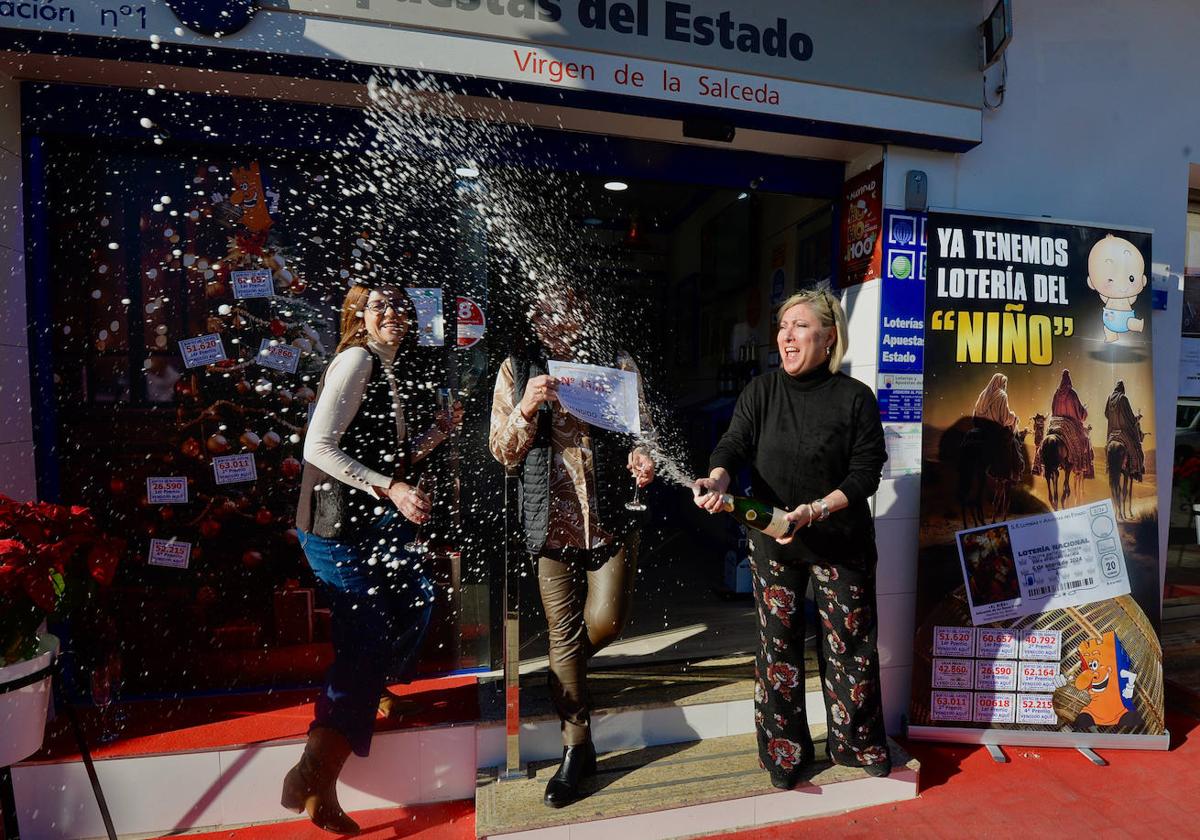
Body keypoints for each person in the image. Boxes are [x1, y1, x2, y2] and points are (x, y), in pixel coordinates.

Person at [282, 281, 461, 835]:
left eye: (398, 306)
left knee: (418, 597)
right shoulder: (356, 360)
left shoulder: (389, 366)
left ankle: (372, 688)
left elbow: (382, 450)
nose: (391, 313)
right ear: (357, 317)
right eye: (377, 305)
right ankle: (313, 777)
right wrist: (393, 489)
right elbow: (317, 448)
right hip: (334, 530)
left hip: (368, 525)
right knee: (364, 643)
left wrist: (435, 435)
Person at [693, 288, 891, 787]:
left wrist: (817, 509)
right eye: (783, 327)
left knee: (849, 644)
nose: (786, 336)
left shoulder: (855, 398)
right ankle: (784, 751)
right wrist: (718, 478)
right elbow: (733, 444)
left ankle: (856, 742)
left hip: (840, 542)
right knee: (776, 646)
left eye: (800, 326)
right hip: (774, 543)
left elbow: (867, 473)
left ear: (828, 338)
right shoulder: (760, 392)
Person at [489, 293, 654, 808]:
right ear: (533, 319)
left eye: (564, 308)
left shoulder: (616, 364)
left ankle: (563, 673)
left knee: (607, 623)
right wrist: (526, 406)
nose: (553, 320)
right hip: (550, 528)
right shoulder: (518, 368)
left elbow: (641, 435)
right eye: (542, 311)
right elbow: (502, 452)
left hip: (608, 524)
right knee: (563, 633)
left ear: (582, 312)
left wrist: (643, 458)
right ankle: (576, 749)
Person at [1105, 380, 1146, 480]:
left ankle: (1108, 465)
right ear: (1123, 389)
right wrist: (1137, 418)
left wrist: (1114, 418)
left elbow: (1106, 414)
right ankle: (1136, 469)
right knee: (1136, 447)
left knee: (1107, 446)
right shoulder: (1123, 398)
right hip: (1123, 431)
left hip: (1112, 432)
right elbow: (1130, 417)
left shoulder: (1109, 398)